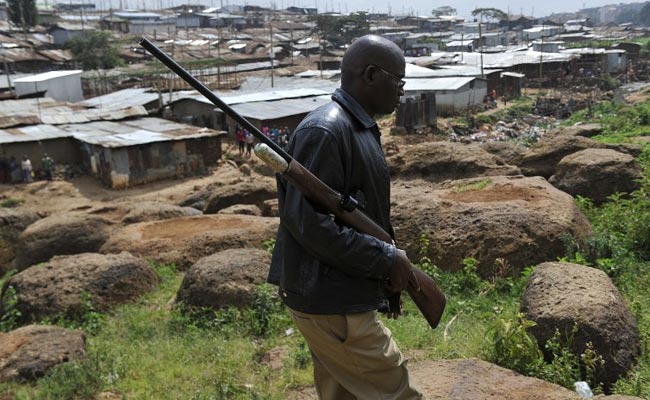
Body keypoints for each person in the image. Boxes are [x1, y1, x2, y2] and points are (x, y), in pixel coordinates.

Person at [268, 35, 422, 399]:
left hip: (334, 293)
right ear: (370, 75)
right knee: (397, 391)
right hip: (330, 301)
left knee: (343, 394)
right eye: (398, 80)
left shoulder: (354, 126)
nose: (401, 90)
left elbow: (356, 213)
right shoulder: (325, 130)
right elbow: (310, 223)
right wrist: (385, 259)